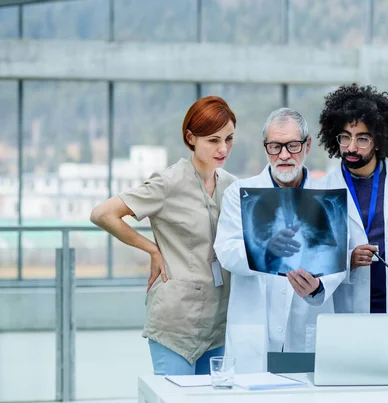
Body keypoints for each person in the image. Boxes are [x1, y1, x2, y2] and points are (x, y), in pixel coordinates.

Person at [89, 96, 237, 375]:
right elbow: (102, 214)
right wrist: (152, 250)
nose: (223, 148)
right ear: (191, 138)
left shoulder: (232, 185)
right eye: (213, 140)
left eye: (229, 139)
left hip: (218, 323)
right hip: (175, 322)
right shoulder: (169, 182)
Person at [214, 107, 345, 374]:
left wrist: (318, 286)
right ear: (265, 148)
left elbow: (340, 256)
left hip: (306, 323)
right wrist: (264, 249)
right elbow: (226, 251)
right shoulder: (238, 193)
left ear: (307, 145)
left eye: (293, 145)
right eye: (275, 146)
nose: (284, 155)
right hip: (254, 327)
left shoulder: (329, 196)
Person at [317, 83, 388, 314]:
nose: (351, 147)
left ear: (378, 141)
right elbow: (317, 257)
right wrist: (348, 259)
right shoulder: (323, 190)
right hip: (348, 310)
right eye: (345, 137)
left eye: (362, 139)